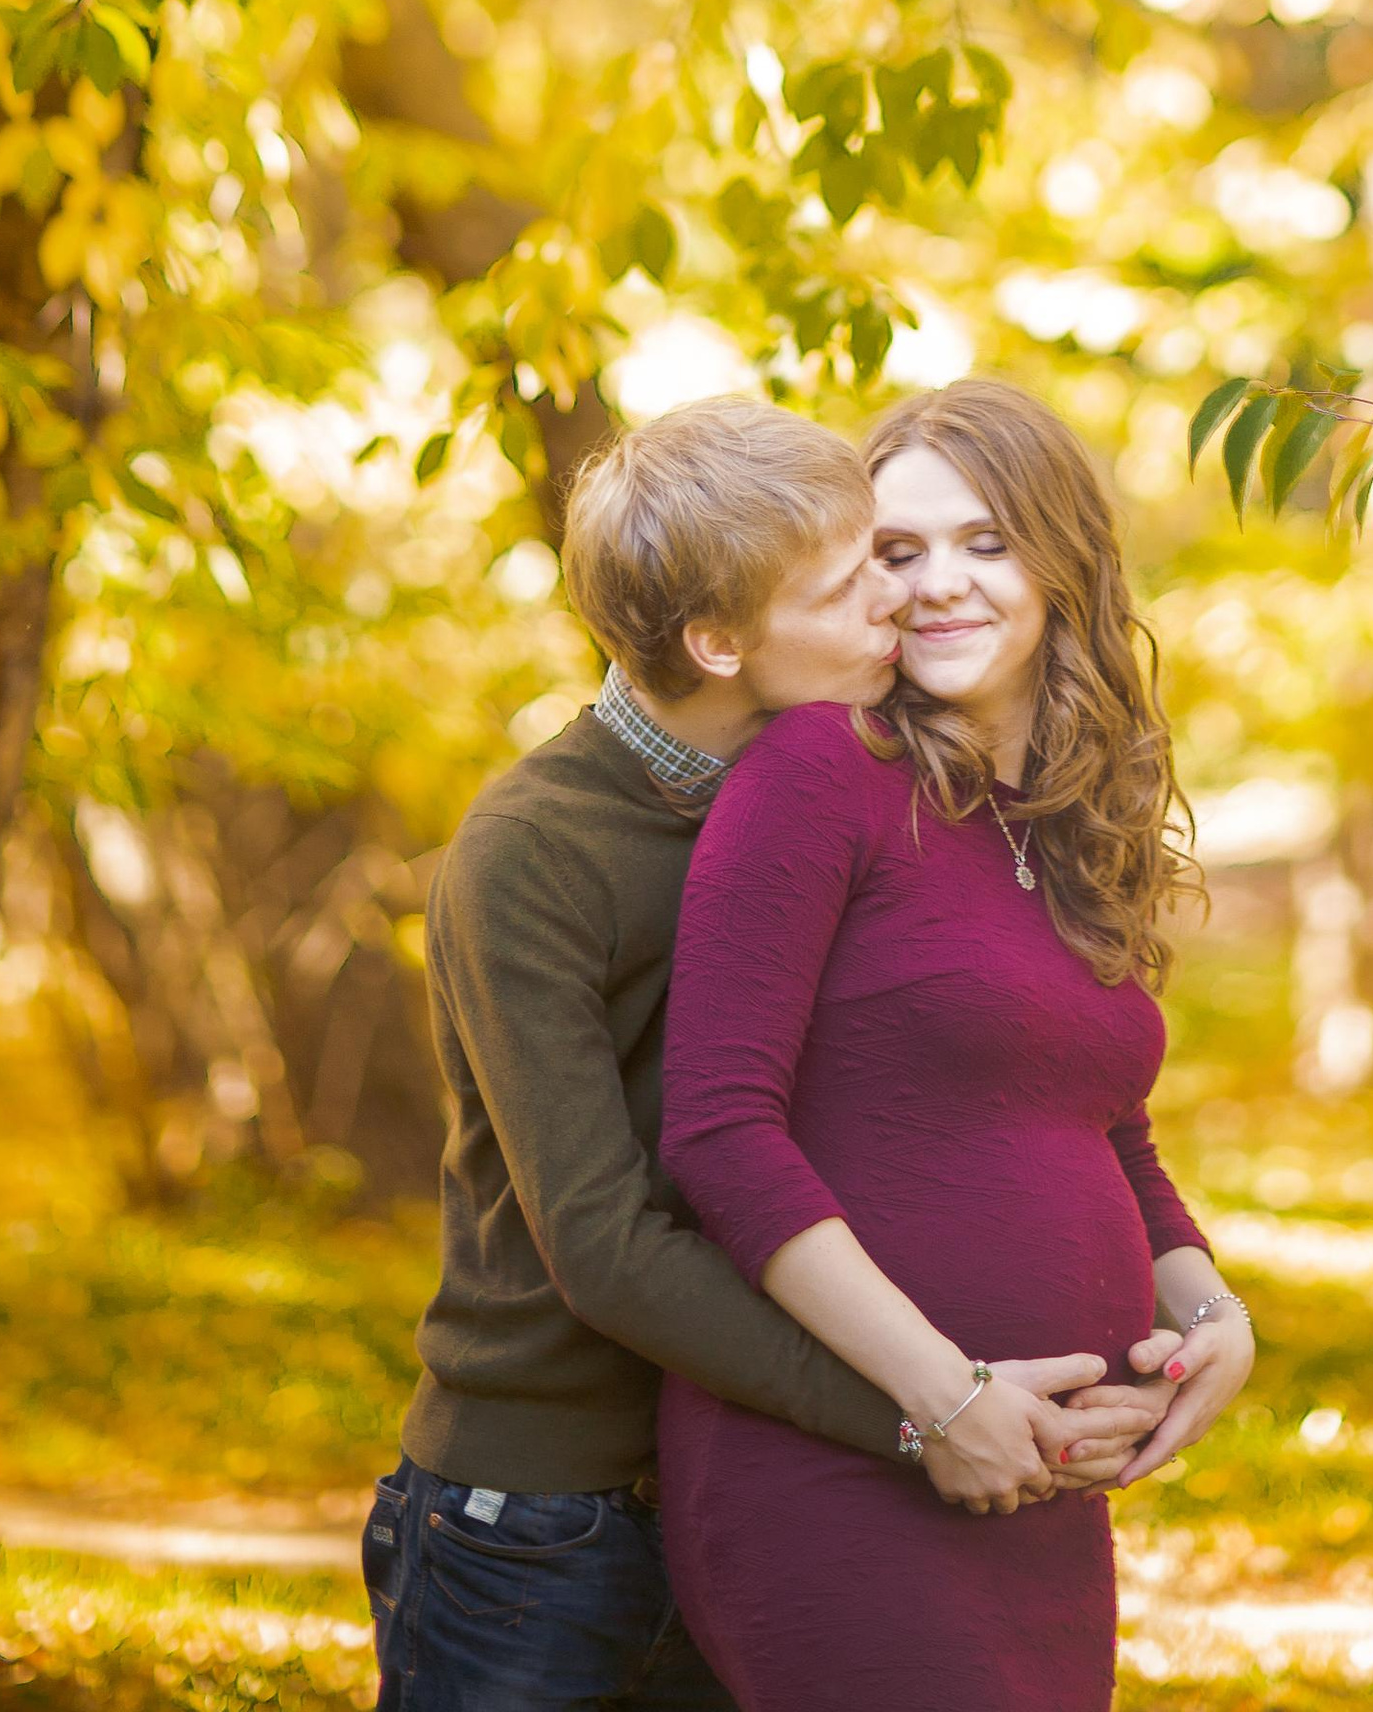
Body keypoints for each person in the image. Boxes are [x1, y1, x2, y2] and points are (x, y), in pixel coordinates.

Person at [363, 392, 1163, 1712]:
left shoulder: (829, 792)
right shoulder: (530, 854)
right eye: (854, 583)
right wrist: (921, 1411)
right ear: (720, 642)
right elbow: (607, 1243)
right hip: (543, 1513)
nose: (900, 600)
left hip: (748, 1456)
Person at [655, 375, 1257, 1712]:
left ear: (1061, 562)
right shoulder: (822, 771)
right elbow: (718, 1131)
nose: (937, 585)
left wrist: (1212, 1319)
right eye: (897, 550)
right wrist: (945, 1398)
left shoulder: (1063, 822)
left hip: (1039, 1486)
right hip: (846, 1472)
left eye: (985, 541)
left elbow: (1103, 1126)